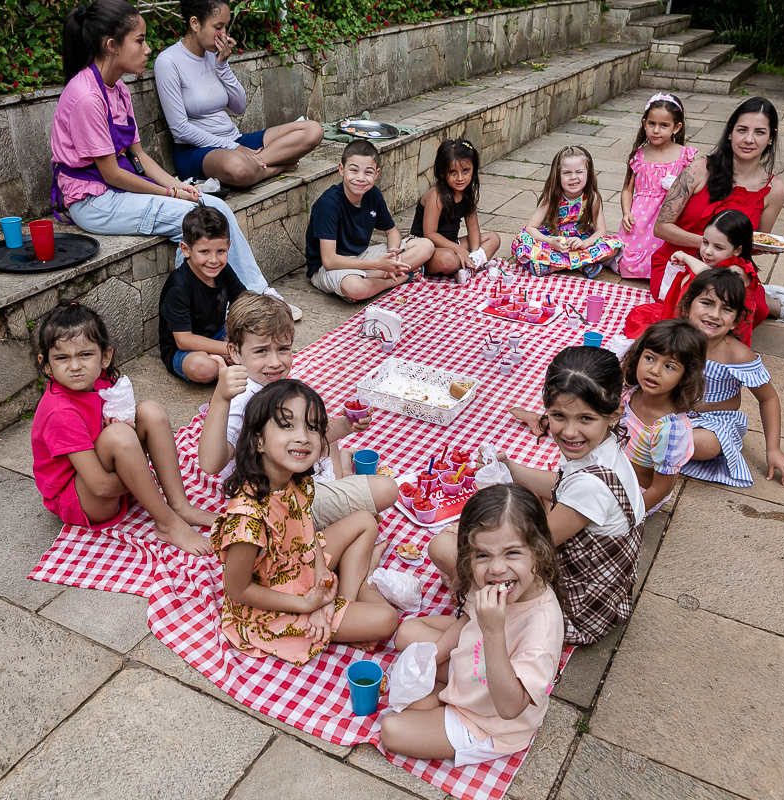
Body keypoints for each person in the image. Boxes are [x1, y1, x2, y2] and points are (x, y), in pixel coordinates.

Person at [49, 0, 300, 318]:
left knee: (214, 208)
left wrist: (179, 186)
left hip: (116, 192)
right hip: (94, 202)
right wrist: (169, 193)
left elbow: (138, 155)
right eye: (139, 40)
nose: (147, 48)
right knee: (195, 224)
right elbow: (111, 173)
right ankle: (228, 309)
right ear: (112, 45)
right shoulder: (87, 96)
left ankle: (253, 297)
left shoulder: (117, 88)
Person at [433, 347, 646, 644]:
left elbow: (534, 546)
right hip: (604, 590)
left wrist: (465, 535)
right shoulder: (604, 450)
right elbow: (561, 485)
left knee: (442, 547)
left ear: (614, 414)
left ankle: (478, 603)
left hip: (576, 611)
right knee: (521, 498)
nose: (570, 432)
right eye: (559, 416)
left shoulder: (590, 487)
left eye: (585, 419)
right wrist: (512, 469)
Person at [211, 380, 400, 664]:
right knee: (387, 619)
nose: (303, 436)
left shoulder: (295, 482)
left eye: (312, 427)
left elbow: (310, 536)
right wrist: (305, 604)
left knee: (364, 521)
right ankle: (354, 592)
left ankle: (341, 605)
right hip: (274, 607)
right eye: (287, 425)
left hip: (301, 569)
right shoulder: (247, 517)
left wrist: (323, 595)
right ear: (258, 440)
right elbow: (238, 589)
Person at [379, 485, 565, 767]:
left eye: (512, 553)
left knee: (392, 729)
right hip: (470, 670)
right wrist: (431, 661)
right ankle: (444, 692)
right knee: (406, 633)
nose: (497, 568)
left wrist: (493, 631)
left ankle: (447, 703)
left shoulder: (542, 627)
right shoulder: (495, 583)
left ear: (538, 552)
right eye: (482, 555)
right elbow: (468, 621)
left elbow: (510, 707)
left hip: (490, 720)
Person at [196, 293, 398, 528]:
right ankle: (341, 484)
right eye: (261, 351)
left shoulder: (274, 387)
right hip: (273, 503)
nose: (275, 362)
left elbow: (314, 434)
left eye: (283, 349)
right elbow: (210, 464)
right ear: (234, 352)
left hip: (294, 478)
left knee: (322, 431)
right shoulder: (241, 400)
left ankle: (341, 478)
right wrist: (221, 398)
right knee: (387, 489)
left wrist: (346, 425)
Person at [30, 303, 215, 555]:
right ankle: (168, 523)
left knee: (151, 411)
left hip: (101, 473)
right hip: (83, 501)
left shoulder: (98, 380)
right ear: (46, 365)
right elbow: (101, 487)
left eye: (85, 355)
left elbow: (118, 423)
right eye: (62, 358)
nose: (75, 366)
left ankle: (180, 506)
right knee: (120, 436)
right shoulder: (60, 412)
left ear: (105, 357)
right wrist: (142, 478)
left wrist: (127, 435)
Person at [650, 96, 784, 325]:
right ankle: (774, 304)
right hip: (679, 262)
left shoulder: (774, 189)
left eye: (760, 132)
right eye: (742, 130)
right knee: (691, 310)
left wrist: (772, 246)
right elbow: (662, 228)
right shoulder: (699, 169)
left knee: (734, 314)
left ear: (771, 138)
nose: (749, 139)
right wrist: (712, 246)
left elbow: (750, 245)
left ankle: (776, 303)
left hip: (728, 270)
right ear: (730, 132)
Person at [154, 0, 324, 187]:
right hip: (196, 151)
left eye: (226, 27)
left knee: (313, 130)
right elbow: (180, 128)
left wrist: (222, 65)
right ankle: (277, 167)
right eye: (218, 27)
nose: (224, 35)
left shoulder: (214, 55)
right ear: (195, 23)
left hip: (233, 139)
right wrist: (234, 148)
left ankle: (255, 166)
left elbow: (239, 107)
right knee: (238, 168)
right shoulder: (168, 61)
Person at [678, 270, 784, 489]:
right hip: (672, 412)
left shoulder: (737, 355)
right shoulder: (674, 339)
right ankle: (654, 440)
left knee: (704, 444)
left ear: (735, 321)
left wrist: (773, 449)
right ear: (687, 307)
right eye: (707, 303)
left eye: (726, 309)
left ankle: (649, 442)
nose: (715, 314)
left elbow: (768, 399)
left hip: (713, 423)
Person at [305, 140, 435, 302]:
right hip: (328, 267)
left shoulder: (373, 194)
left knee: (425, 246)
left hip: (362, 257)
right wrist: (377, 264)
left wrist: (392, 254)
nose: (360, 178)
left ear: (376, 173)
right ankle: (399, 279)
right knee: (355, 288)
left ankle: (376, 277)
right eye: (353, 170)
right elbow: (329, 261)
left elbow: (392, 231)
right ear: (341, 169)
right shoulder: (328, 204)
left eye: (368, 172)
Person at [624, 209, 765, 345]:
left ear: (737, 250)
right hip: (705, 315)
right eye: (705, 242)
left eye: (718, 247)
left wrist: (686, 257)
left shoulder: (739, 270)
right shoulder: (718, 262)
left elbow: (712, 277)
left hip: (721, 328)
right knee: (640, 315)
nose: (708, 251)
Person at [618, 319, 706, 514]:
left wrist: (628, 519)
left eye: (670, 367)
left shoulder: (670, 429)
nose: (654, 370)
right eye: (649, 358)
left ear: (685, 376)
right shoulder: (630, 393)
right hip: (611, 472)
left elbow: (661, 488)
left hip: (634, 496)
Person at [158, 205, 248, 383]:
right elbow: (184, 340)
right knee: (202, 368)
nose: (214, 260)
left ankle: (227, 360)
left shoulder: (222, 270)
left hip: (219, 334)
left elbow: (243, 300)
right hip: (184, 350)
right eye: (204, 252)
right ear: (185, 250)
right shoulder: (178, 286)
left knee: (261, 337)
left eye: (221, 251)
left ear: (229, 246)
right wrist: (230, 348)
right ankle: (227, 361)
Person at [510, 145, 625, 278]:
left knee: (614, 247)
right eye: (567, 173)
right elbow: (531, 227)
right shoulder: (552, 197)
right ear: (557, 175)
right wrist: (550, 241)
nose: (573, 177)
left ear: (588, 173)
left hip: (579, 240)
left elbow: (601, 231)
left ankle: (552, 266)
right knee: (522, 242)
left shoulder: (592, 197)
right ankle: (582, 265)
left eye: (579, 172)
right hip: (554, 241)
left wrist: (584, 244)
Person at [618, 93, 697, 279]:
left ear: (677, 127)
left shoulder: (685, 156)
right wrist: (626, 212)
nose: (656, 130)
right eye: (652, 124)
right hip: (640, 219)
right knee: (627, 264)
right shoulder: (638, 155)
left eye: (664, 125)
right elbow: (627, 189)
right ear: (644, 123)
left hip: (670, 217)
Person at [411, 139, 501, 284]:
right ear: (442, 172)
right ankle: (469, 266)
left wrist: (475, 253)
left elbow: (473, 229)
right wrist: (458, 250)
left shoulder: (467, 194)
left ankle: (469, 268)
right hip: (427, 250)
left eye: (465, 171)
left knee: (493, 238)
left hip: (452, 244)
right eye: (453, 172)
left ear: (473, 169)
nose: (460, 178)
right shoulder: (437, 196)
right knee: (449, 260)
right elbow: (430, 234)